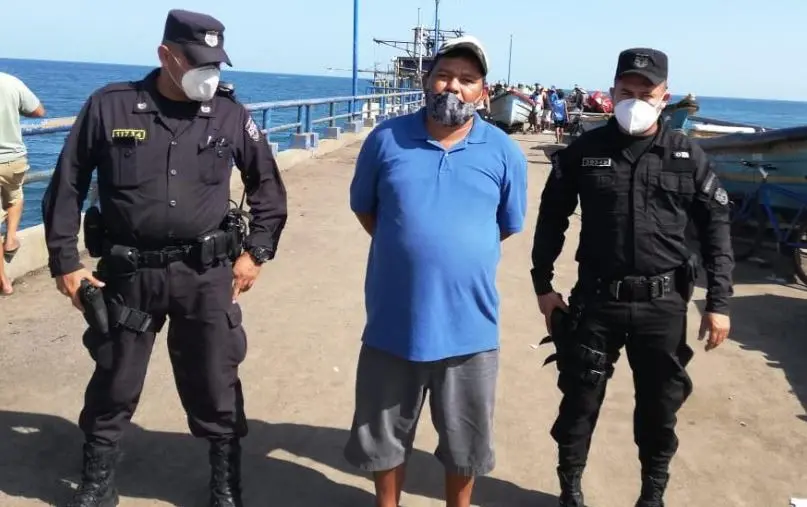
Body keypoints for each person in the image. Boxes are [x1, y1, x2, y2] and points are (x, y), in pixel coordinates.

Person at [41, 9, 288, 507]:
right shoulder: (110, 107)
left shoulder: (229, 114)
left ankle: (224, 484)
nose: (209, 72)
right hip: (131, 273)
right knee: (115, 375)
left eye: (215, 62)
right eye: (197, 62)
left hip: (206, 274)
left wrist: (256, 253)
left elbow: (268, 187)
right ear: (166, 56)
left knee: (217, 377)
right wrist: (65, 263)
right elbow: (66, 184)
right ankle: (97, 481)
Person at [530, 48, 733, 507]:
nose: (635, 99)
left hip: (663, 305)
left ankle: (652, 496)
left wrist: (719, 302)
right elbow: (551, 219)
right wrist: (543, 286)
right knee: (580, 402)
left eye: (646, 92)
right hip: (597, 301)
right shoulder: (584, 152)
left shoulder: (687, 155)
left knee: (660, 409)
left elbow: (716, 225)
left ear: (665, 97)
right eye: (627, 91)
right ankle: (570, 492)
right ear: (613, 90)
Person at [344, 35, 527, 507]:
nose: (453, 86)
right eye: (444, 75)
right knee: (382, 435)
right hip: (394, 321)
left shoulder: (504, 151)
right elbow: (367, 211)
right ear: (427, 80)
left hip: (470, 328)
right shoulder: (385, 138)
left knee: (466, 442)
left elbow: (506, 225)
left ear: (483, 92)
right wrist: (407, 245)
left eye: (467, 80)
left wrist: (454, 252)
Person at [0, 72, 45, 295]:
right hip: (14, 159)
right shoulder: (11, 82)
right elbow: (39, 111)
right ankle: (10, 239)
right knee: (15, 195)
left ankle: (4, 282)